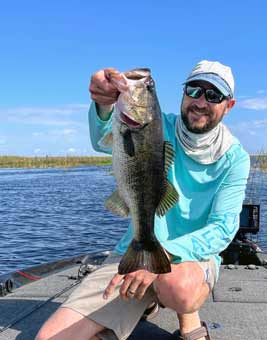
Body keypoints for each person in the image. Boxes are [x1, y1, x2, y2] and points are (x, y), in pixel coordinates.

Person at [36, 60, 250, 340]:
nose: (200, 101)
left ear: (228, 105)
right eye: (194, 90)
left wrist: (163, 259)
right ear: (183, 93)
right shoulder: (158, 124)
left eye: (213, 95)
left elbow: (222, 228)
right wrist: (103, 105)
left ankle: (184, 319)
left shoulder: (236, 159)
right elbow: (103, 140)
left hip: (189, 261)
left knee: (177, 286)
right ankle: (145, 301)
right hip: (134, 251)